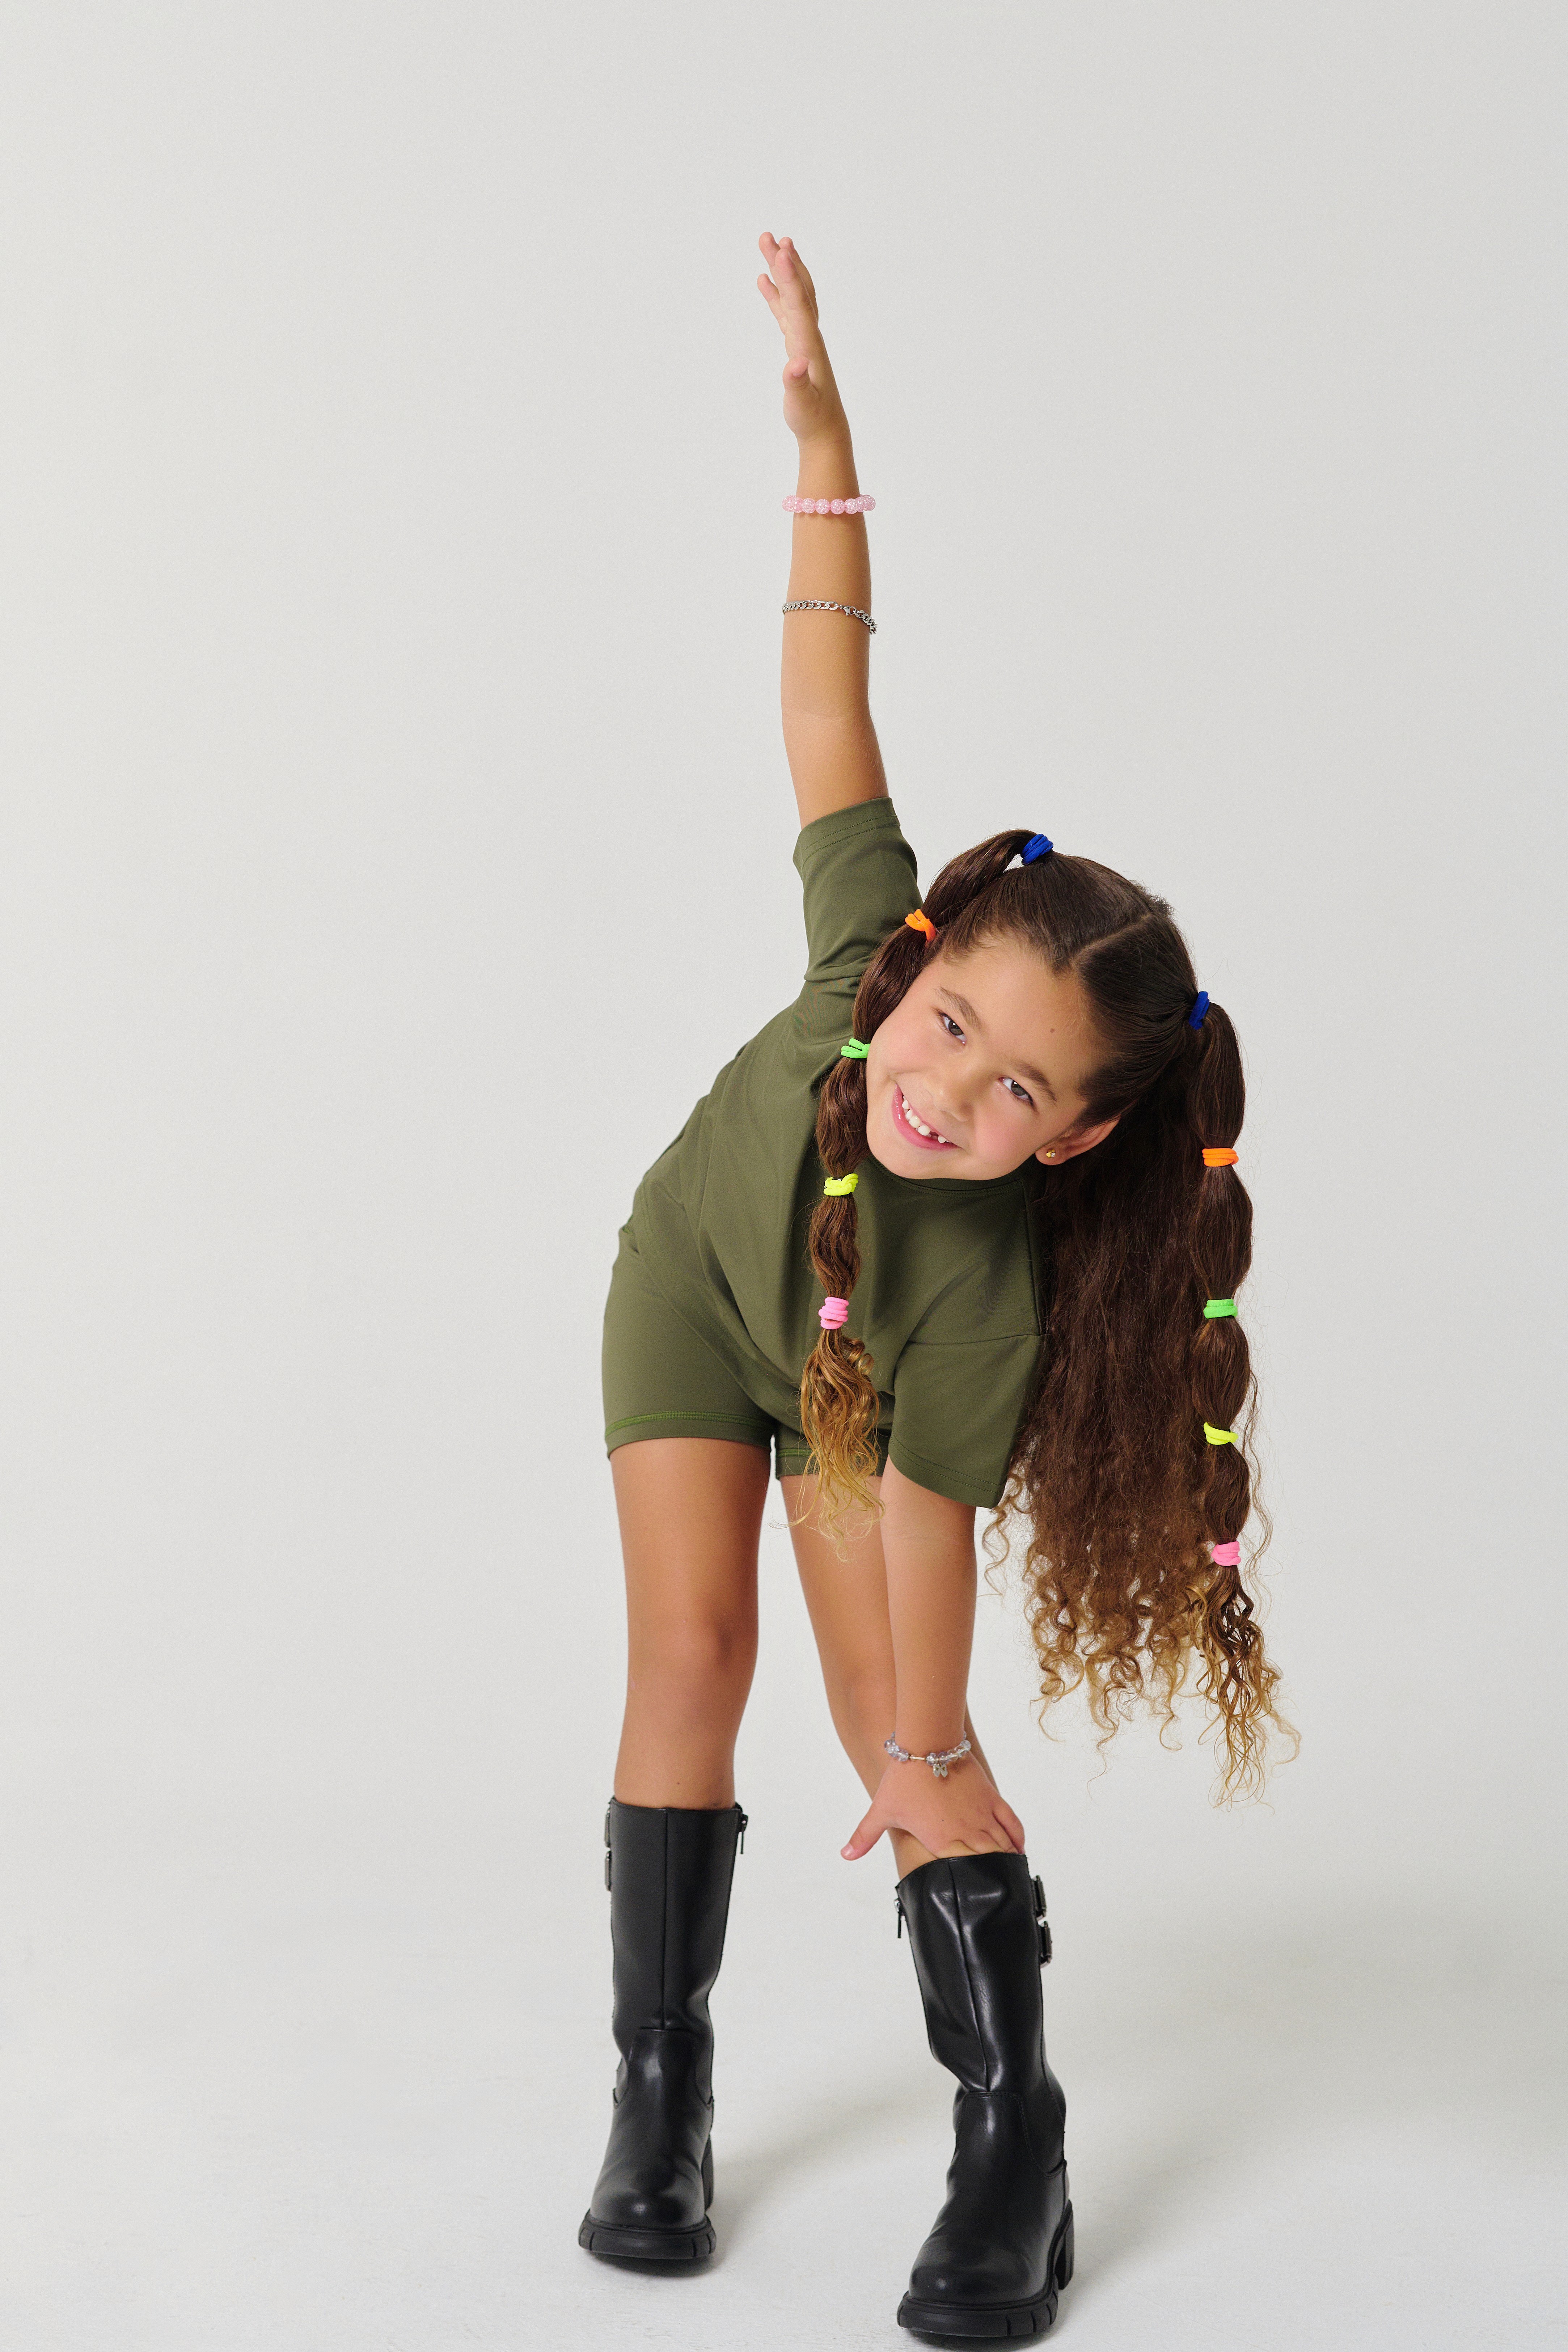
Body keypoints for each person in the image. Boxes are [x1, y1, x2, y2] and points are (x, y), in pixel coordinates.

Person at [577, 231, 1289, 2341]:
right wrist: (825, 437)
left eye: (1016, 1087)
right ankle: (658, 2089)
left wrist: (921, 1736)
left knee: (889, 1718)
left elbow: (926, 1539)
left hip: (857, 1406)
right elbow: (824, 696)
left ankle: (1014, 2137)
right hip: (688, 1296)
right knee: (683, 1660)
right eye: (953, 1022)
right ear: (919, 964)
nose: (948, 1086)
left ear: (1073, 1138)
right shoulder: (858, 946)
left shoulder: (981, 1293)